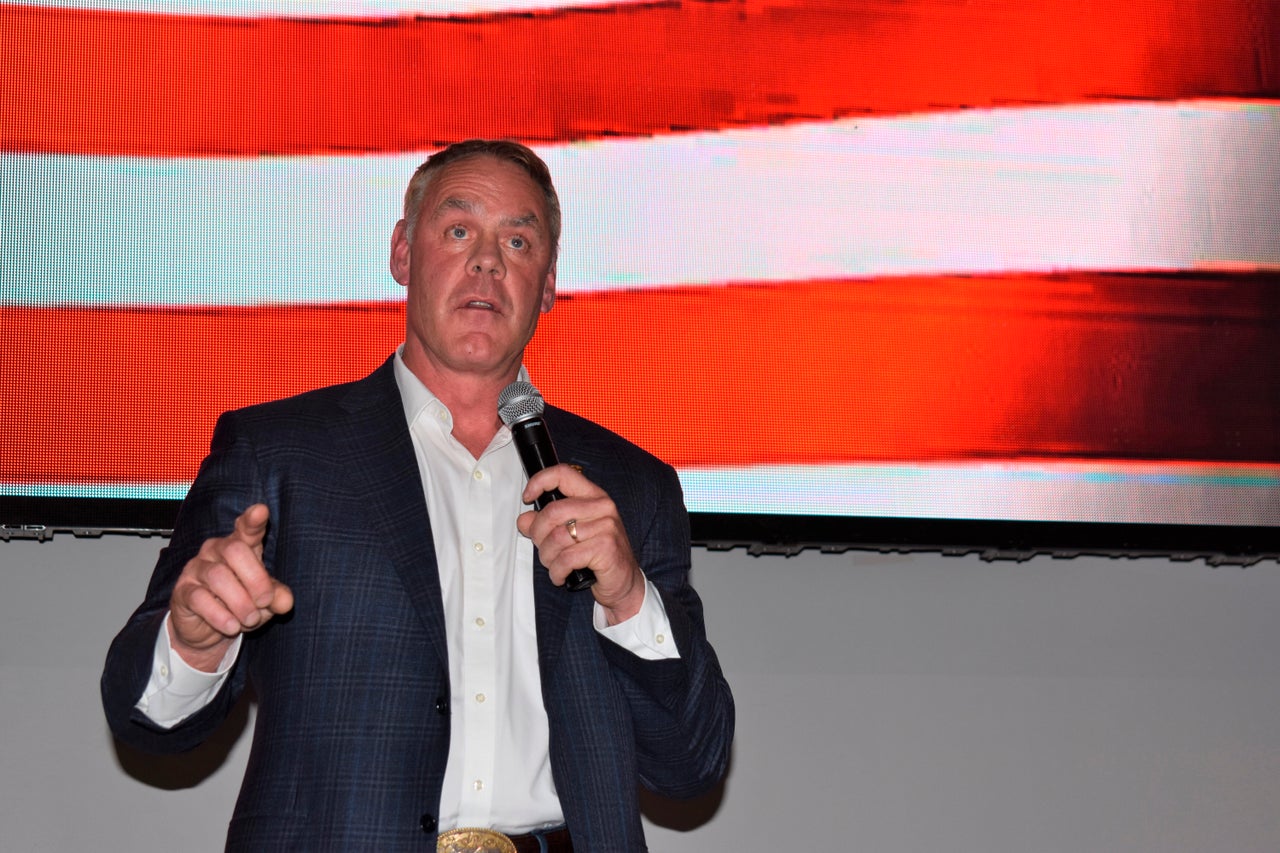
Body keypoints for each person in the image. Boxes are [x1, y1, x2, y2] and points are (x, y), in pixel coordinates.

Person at [101, 140, 734, 851]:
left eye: (518, 240)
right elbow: (145, 717)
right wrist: (193, 639)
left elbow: (692, 764)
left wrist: (627, 600)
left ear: (549, 282)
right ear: (403, 253)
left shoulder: (630, 487)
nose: (488, 261)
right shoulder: (278, 455)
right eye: (459, 230)